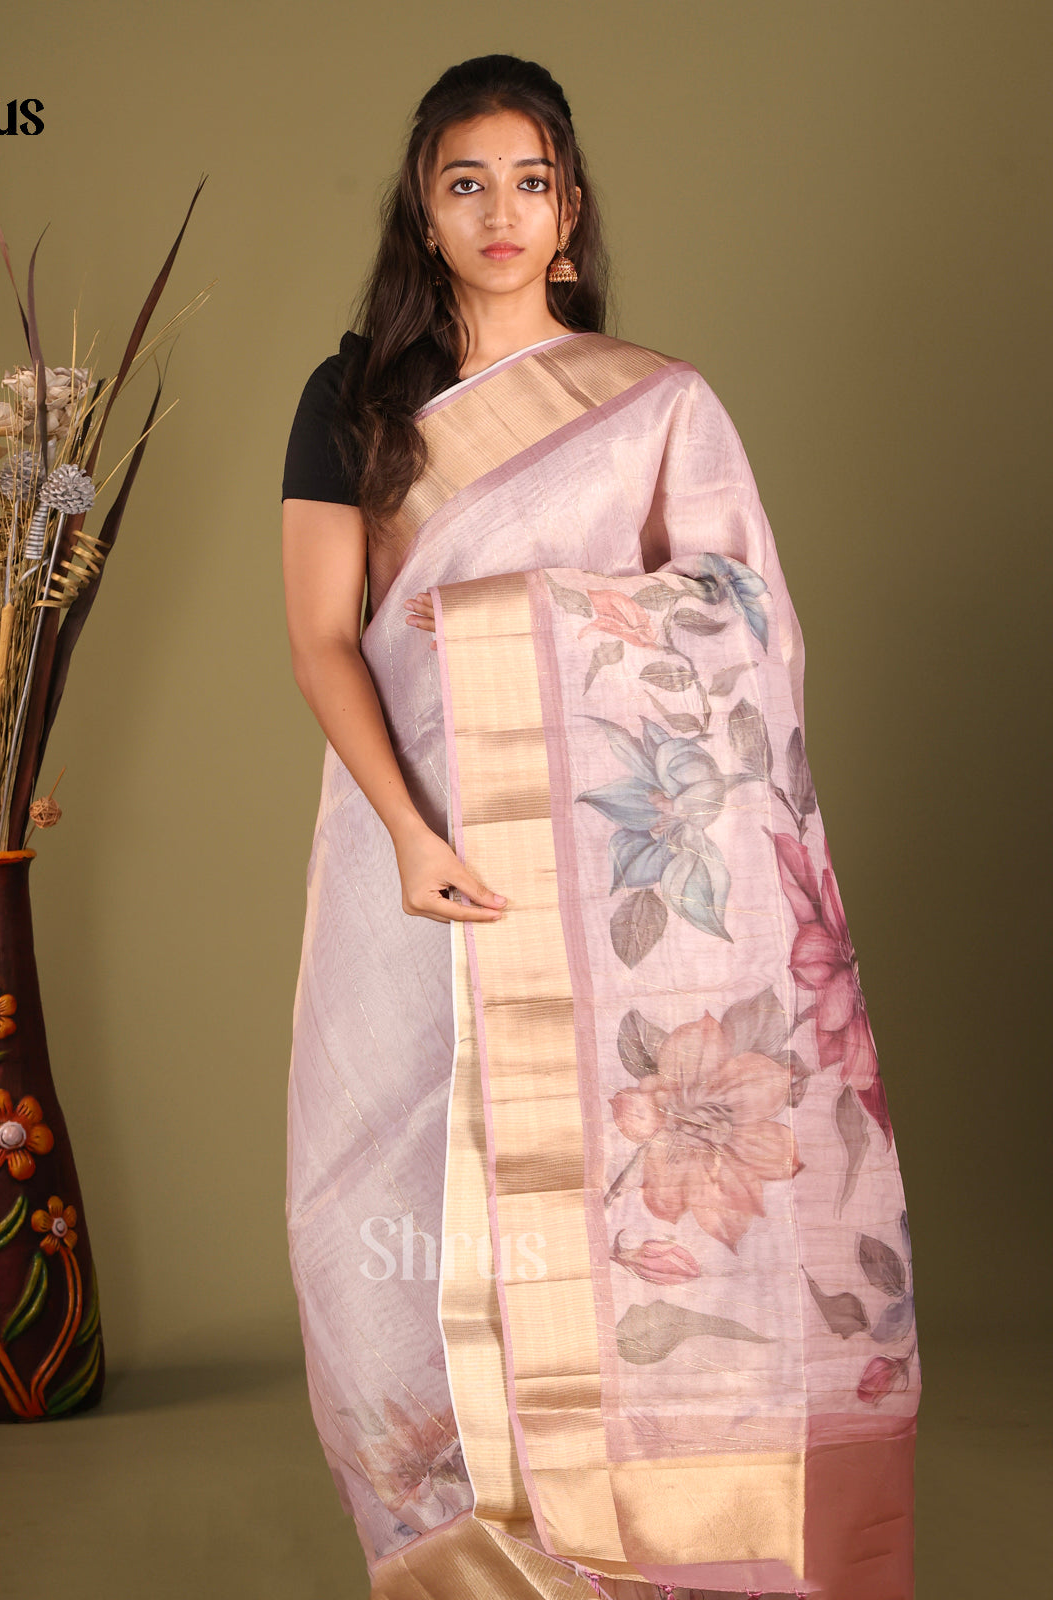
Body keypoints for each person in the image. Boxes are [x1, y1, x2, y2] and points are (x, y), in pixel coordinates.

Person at [281, 54, 918, 1600]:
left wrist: (524, 623)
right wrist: (412, 830)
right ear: (425, 210)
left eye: (530, 182)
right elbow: (320, 638)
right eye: (466, 183)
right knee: (373, 1198)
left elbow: (741, 626)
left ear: (568, 215)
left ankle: (648, 1534)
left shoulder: (655, 405)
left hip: (602, 885)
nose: (499, 212)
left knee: (621, 1198)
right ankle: (455, 1549)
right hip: (408, 842)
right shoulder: (353, 399)